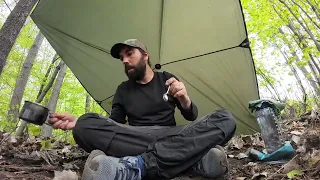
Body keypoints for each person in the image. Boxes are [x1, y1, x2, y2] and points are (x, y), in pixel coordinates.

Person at [49, 39, 237, 180]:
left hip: (172, 135)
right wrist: (78, 122)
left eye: (130, 54)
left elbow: (191, 115)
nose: (125, 60)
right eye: (122, 57)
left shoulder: (166, 78)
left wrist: (184, 99)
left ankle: (137, 165)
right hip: (134, 137)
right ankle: (193, 162)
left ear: (145, 55)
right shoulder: (123, 90)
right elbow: (114, 124)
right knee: (85, 124)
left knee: (225, 118)